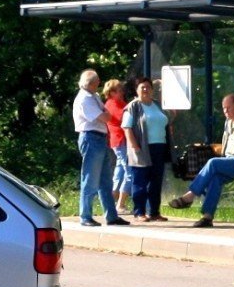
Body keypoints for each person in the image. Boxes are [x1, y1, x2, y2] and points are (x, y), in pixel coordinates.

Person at [169, 93, 234, 227]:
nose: (225, 111)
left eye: (228, 108)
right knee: (216, 178)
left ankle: (190, 195)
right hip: (229, 161)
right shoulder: (228, 122)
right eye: (224, 109)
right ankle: (207, 217)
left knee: (213, 163)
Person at [70, 68, 122, 227]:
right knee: (90, 179)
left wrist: (104, 113)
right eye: (97, 81)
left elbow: (107, 114)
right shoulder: (85, 99)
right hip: (90, 137)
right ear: (91, 83)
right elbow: (105, 116)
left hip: (100, 138)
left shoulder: (94, 96)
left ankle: (111, 216)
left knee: (106, 180)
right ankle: (85, 216)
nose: (99, 83)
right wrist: (104, 113)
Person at [124, 76, 170, 220]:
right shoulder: (133, 106)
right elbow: (127, 127)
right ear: (137, 90)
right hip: (141, 148)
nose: (145, 90)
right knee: (140, 181)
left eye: (148, 87)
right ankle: (139, 212)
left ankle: (154, 212)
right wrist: (134, 146)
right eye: (142, 87)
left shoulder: (157, 105)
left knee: (156, 181)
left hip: (159, 147)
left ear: (152, 89)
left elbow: (166, 121)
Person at [100, 78, 133, 224]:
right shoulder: (111, 104)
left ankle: (112, 202)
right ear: (112, 92)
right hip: (120, 141)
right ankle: (121, 204)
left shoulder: (119, 103)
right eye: (119, 90)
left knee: (119, 172)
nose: (122, 92)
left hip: (120, 141)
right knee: (129, 172)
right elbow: (123, 118)